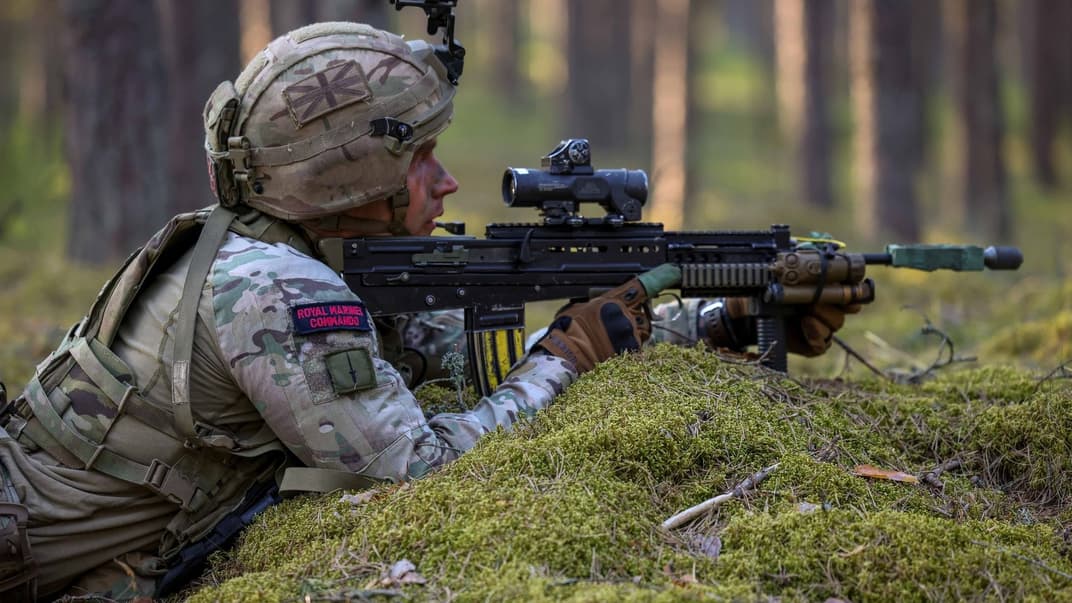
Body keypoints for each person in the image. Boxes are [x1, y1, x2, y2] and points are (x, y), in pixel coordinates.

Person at [0, 22, 856, 602]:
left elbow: (481, 354)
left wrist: (724, 319)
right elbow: (417, 468)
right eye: (422, 158)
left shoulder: (311, 253)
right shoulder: (277, 290)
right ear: (350, 174)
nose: (445, 183)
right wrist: (566, 363)